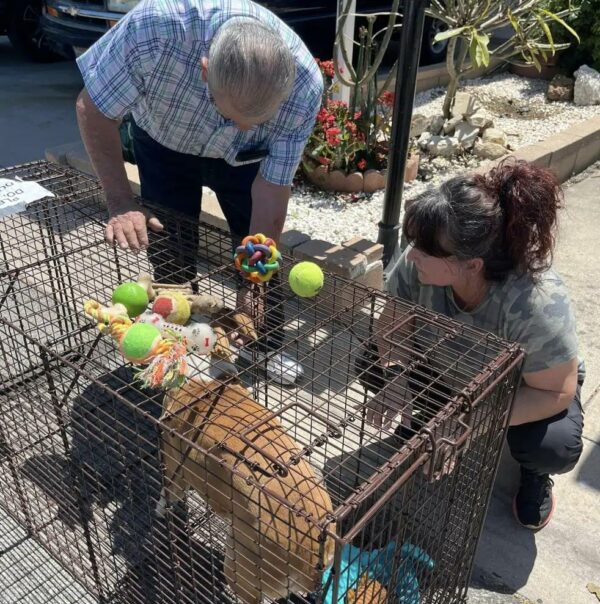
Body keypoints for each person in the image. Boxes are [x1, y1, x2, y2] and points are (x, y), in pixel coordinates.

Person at [75, 0, 323, 380]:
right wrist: (121, 201)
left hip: (245, 163)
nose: (239, 128)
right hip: (163, 141)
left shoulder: (304, 87)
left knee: (258, 253)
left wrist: (253, 282)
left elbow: (272, 190)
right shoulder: (154, 30)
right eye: (230, 116)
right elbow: (94, 109)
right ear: (204, 70)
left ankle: (266, 341)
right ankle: (176, 348)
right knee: (170, 245)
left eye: (253, 122)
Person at [359, 159, 584, 531]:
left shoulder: (535, 302)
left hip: (518, 387)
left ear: (472, 265)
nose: (411, 256)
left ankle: (533, 476)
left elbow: (556, 390)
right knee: (371, 361)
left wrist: (468, 421)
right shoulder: (419, 262)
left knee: (553, 445)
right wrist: (397, 379)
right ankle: (424, 419)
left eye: (425, 251)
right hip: (444, 366)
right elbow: (391, 328)